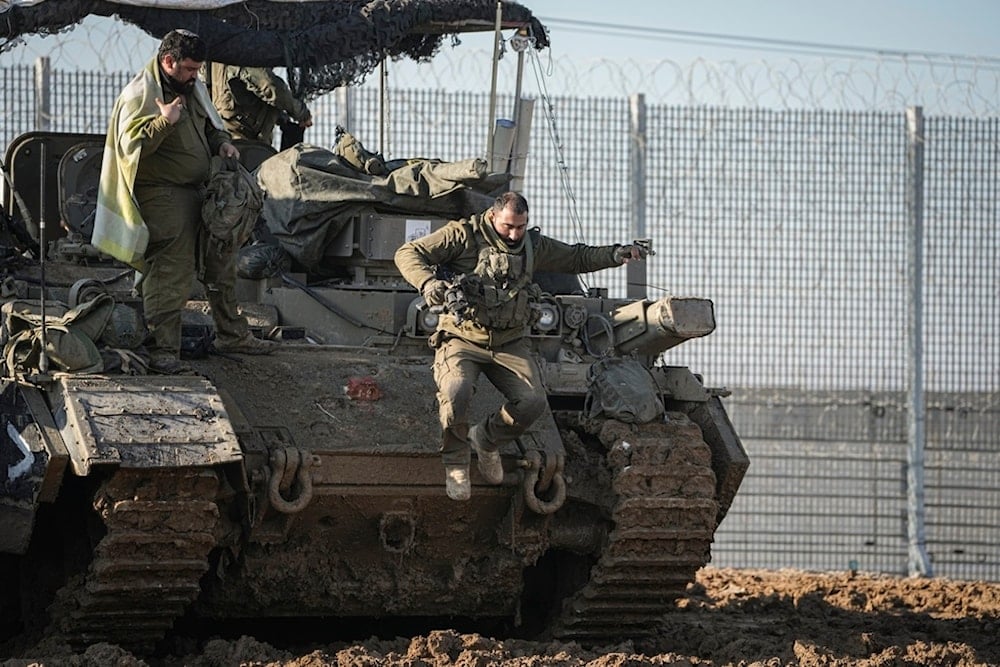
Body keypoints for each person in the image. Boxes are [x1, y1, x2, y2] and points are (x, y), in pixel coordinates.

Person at [394, 191, 649, 500]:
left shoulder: (533, 245)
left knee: (532, 402)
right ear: (492, 217)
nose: (514, 234)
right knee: (455, 390)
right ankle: (456, 463)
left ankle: (486, 439)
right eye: (508, 226)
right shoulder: (463, 235)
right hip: (463, 337)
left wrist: (615, 254)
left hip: (509, 342)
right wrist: (429, 283)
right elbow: (408, 252)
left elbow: (575, 257)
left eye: (521, 226)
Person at [93, 28, 275, 375]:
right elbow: (132, 152)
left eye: (197, 69)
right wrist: (163, 122)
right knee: (170, 272)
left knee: (221, 262)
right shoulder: (140, 95)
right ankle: (163, 352)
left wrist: (222, 142)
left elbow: (209, 126)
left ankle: (232, 335)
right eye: (189, 69)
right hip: (161, 195)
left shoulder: (191, 89)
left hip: (200, 192)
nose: (195, 76)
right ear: (168, 62)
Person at [205, 63, 313, 147]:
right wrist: (301, 113)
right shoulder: (243, 45)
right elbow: (269, 86)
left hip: (225, 135)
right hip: (245, 140)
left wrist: (280, 116)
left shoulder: (218, 46)